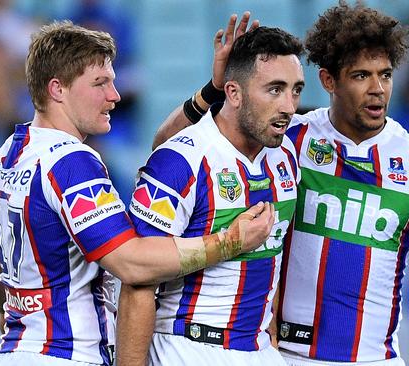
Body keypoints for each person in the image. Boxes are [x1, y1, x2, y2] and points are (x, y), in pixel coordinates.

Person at [152, 3, 409, 366]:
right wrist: (214, 90)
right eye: (361, 76)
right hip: (281, 356)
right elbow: (170, 153)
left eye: (385, 74)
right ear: (328, 80)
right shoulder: (287, 140)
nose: (377, 89)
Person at [0, 20, 274, 366]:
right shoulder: (70, 161)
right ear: (57, 89)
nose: (114, 96)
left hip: (15, 352)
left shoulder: (2, 158)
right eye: (100, 84)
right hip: (67, 355)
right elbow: (131, 262)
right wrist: (229, 242)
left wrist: (11, 309)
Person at [116, 14, 305, 366]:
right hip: (190, 346)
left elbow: (273, 261)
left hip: (260, 351)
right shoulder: (183, 160)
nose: (289, 107)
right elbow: (139, 280)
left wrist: (273, 343)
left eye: (296, 90)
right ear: (232, 92)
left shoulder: (286, 155)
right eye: (275, 89)